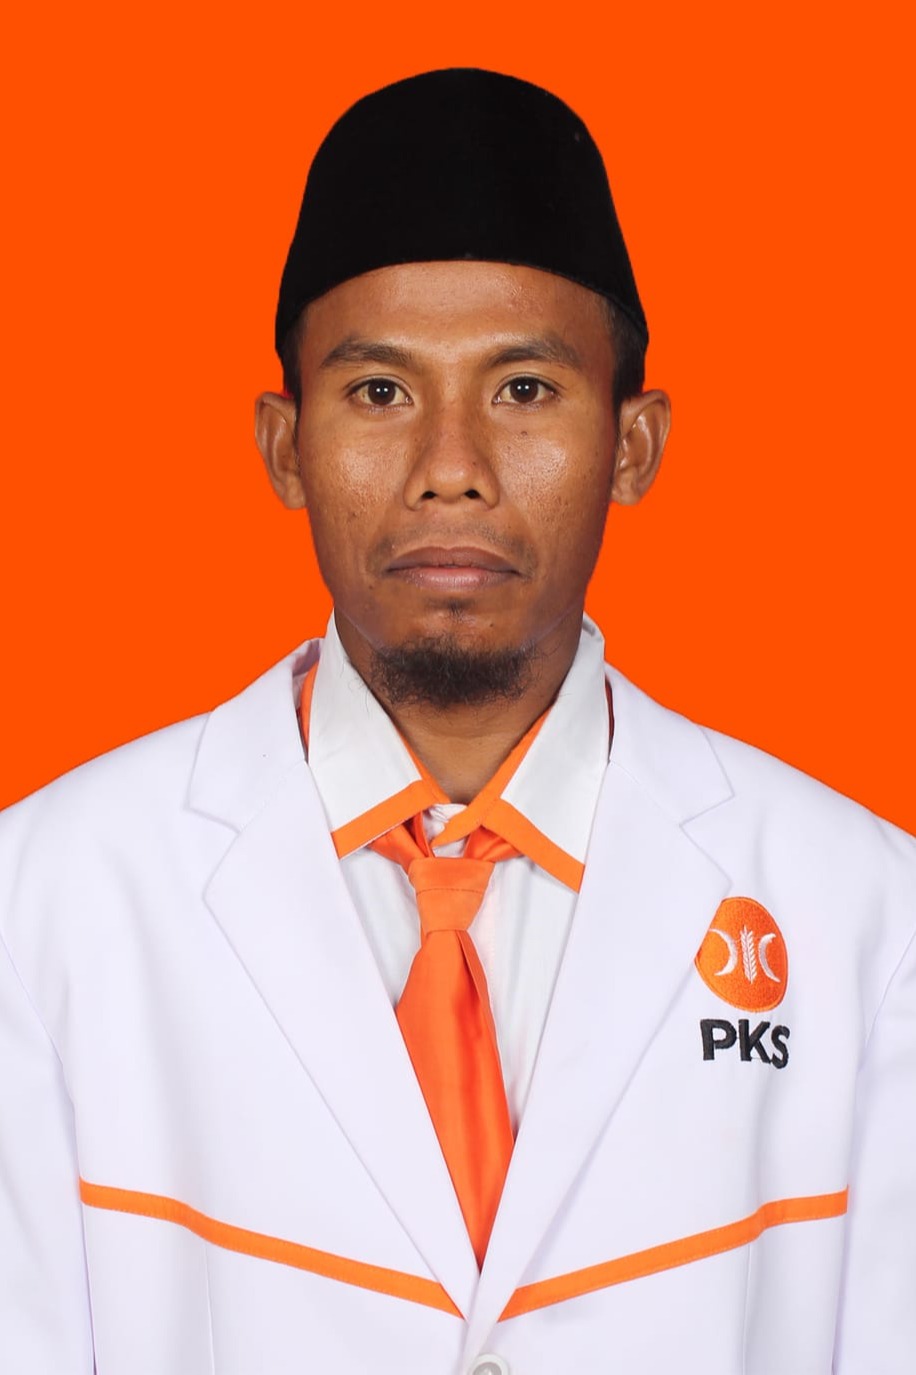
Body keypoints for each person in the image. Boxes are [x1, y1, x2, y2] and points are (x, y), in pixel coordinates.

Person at [1, 66, 913, 1375]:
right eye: (379, 392)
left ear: (635, 445)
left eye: (525, 389)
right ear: (284, 446)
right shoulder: (40, 907)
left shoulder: (868, 921)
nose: (450, 467)